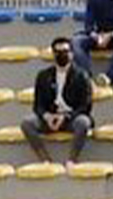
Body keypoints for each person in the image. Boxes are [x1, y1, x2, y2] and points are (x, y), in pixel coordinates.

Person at [22, 36, 94, 164]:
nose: (62, 55)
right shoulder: (43, 76)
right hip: (50, 117)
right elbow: (38, 105)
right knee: (27, 123)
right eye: (58, 52)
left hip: (71, 118)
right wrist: (47, 116)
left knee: (83, 122)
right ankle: (44, 159)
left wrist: (66, 117)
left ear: (71, 54)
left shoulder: (82, 75)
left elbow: (85, 105)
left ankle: (72, 159)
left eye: (65, 52)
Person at [74, 0, 113, 88]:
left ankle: (109, 78)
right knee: (76, 41)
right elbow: (88, 25)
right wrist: (95, 36)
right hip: (99, 36)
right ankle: (87, 79)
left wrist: (111, 34)